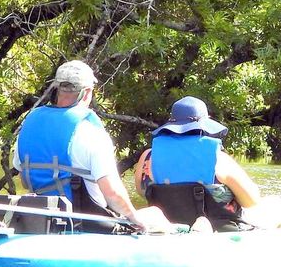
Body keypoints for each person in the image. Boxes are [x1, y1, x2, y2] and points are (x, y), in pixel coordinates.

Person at [12, 60, 173, 234]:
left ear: (57, 89)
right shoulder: (89, 132)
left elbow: (24, 179)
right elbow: (112, 192)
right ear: (87, 92)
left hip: (41, 219)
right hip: (87, 223)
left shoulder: (30, 124)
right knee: (156, 213)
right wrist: (135, 219)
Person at [134, 96, 264, 231]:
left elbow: (142, 191)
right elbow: (252, 201)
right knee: (275, 202)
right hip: (219, 229)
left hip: (169, 226)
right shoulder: (219, 159)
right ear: (204, 126)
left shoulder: (147, 157)